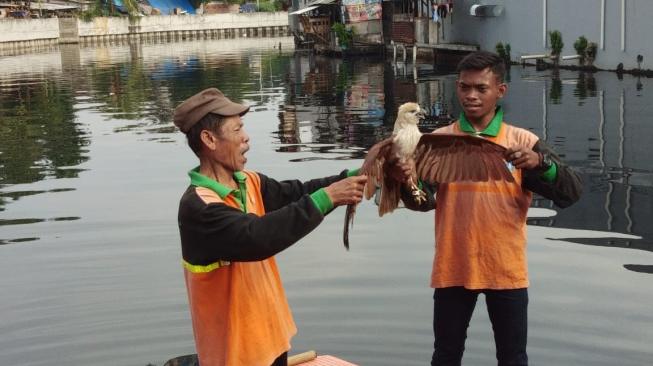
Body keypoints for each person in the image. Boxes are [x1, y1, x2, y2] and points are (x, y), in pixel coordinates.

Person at [391, 51, 583, 365]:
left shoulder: (521, 141)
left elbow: (571, 190)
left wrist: (540, 164)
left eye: (481, 88)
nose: (471, 95)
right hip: (453, 266)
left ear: (500, 90)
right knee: (446, 356)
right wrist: (405, 182)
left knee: (512, 358)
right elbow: (422, 203)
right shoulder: (437, 141)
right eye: (465, 87)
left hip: (506, 270)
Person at [173, 88, 367, 366]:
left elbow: (298, 193)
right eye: (237, 129)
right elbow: (256, 237)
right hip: (235, 354)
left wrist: (353, 176)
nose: (246, 137)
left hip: (270, 339)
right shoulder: (199, 208)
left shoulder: (248, 182)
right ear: (209, 139)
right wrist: (331, 196)